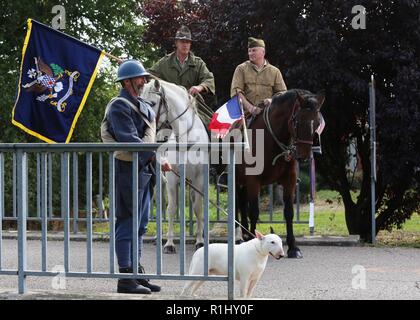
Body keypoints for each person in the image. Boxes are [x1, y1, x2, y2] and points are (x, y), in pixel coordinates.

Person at [101, 59, 171, 294]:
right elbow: (129, 139)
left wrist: (153, 159)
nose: (144, 82)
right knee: (126, 222)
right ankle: (125, 277)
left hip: (143, 170)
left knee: (140, 225)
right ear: (128, 81)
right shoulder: (119, 106)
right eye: (140, 78)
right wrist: (156, 158)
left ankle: (136, 273)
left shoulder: (141, 104)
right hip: (127, 169)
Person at [148, 25, 216, 116]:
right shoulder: (165, 62)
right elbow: (148, 74)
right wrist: (130, 66)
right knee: (150, 122)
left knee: (209, 123)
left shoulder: (198, 63)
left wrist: (200, 87)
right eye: (182, 42)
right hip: (169, 106)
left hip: (191, 104)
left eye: (188, 42)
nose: (185, 45)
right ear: (176, 43)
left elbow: (208, 79)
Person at [231, 37, 287, 116]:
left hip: (268, 114)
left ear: (263, 52)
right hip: (245, 115)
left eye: (254, 50)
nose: (250, 53)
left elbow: (282, 93)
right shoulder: (241, 69)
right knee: (234, 128)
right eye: (249, 51)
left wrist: (272, 100)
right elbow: (236, 92)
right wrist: (251, 108)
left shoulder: (275, 71)